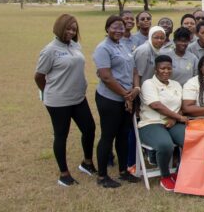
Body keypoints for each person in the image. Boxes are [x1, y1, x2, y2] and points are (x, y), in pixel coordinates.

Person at [34, 14, 96, 186]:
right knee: (61, 135)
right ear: (59, 28)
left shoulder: (75, 45)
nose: (71, 32)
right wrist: (48, 92)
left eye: (74, 29)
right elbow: (39, 76)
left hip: (78, 97)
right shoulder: (50, 50)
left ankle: (87, 163)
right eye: (68, 28)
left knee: (89, 128)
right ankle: (64, 174)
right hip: (58, 101)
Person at [92, 15, 140, 188]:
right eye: (114, 27)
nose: (118, 30)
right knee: (108, 136)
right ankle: (102, 176)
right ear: (107, 28)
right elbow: (106, 76)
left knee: (123, 135)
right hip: (110, 98)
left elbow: (134, 69)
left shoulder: (124, 45)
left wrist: (135, 89)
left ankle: (123, 172)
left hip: (127, 96)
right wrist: (126, 95)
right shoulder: (103, 48)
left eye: (121, 27)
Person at [138, 55, 188, 192]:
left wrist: (175, 118)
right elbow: (156, 105)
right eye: (162, 68)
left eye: (169, 68)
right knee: (165, 145)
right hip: (151, 123)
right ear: (155, 70)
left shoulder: (176, 84)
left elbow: (181, 105)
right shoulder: (148, 84)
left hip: (173, 122)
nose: (166, 71)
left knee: (190, 140)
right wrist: (177, 116)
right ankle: (165, 176)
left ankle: (179, 172)